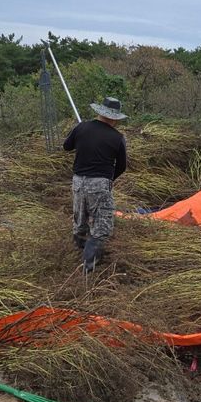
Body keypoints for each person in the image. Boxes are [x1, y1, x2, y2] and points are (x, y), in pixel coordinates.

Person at [63, 97, 127, 272]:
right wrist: (108, 180)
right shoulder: (118, 137)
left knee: (80, 221)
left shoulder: (81, 127)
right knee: (102, 226)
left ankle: (80, 253)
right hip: (100, 183)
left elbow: (66, 146)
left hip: (78, 181)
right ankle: (88, 267)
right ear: (114, 118)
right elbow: (122, 166)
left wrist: (78, 136)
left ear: (99, 112)